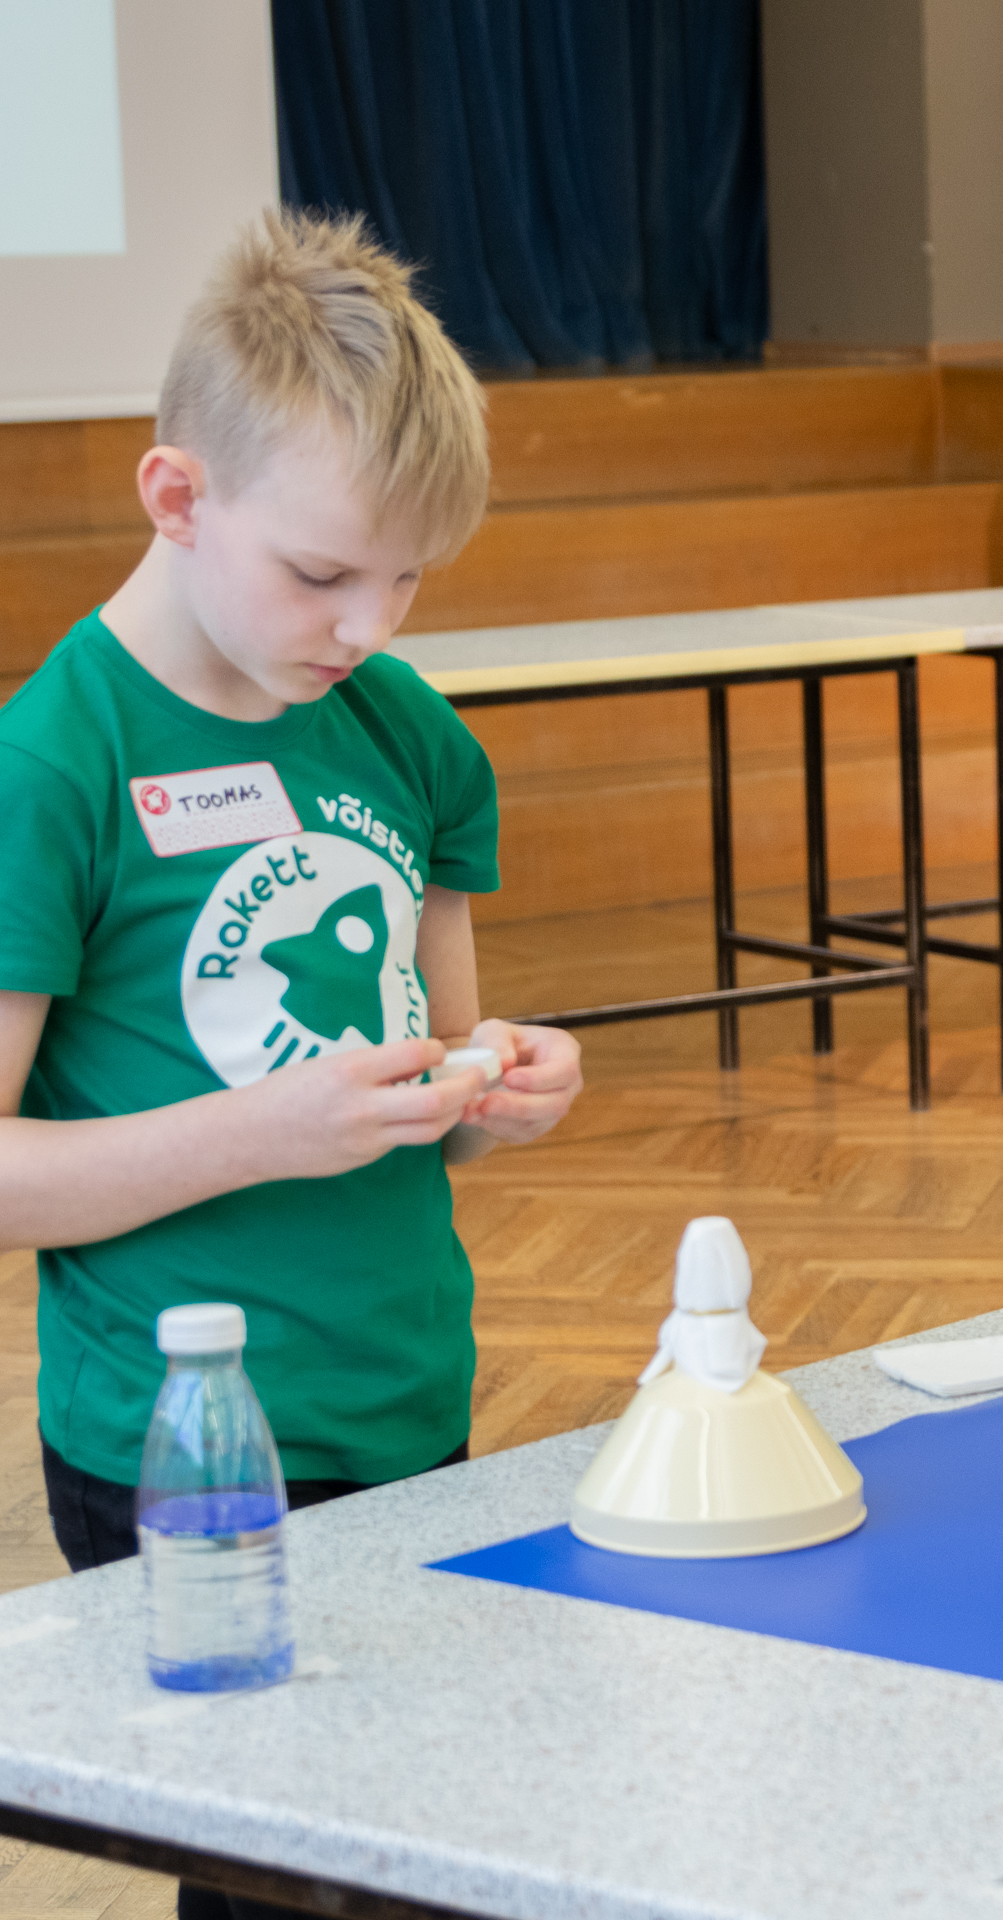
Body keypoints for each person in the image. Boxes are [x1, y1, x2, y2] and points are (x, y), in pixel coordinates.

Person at [0, 206, 584, 1861]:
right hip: (182, 1439)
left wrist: (495, 1084)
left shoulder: (405, 735)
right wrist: (262, 1133)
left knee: (389, 1853)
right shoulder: (53, 766)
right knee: (272, 1860)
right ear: (178, 498)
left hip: (405, 1397)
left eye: (409, 580)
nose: (368, 626)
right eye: (324, 575)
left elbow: (432, 1076)